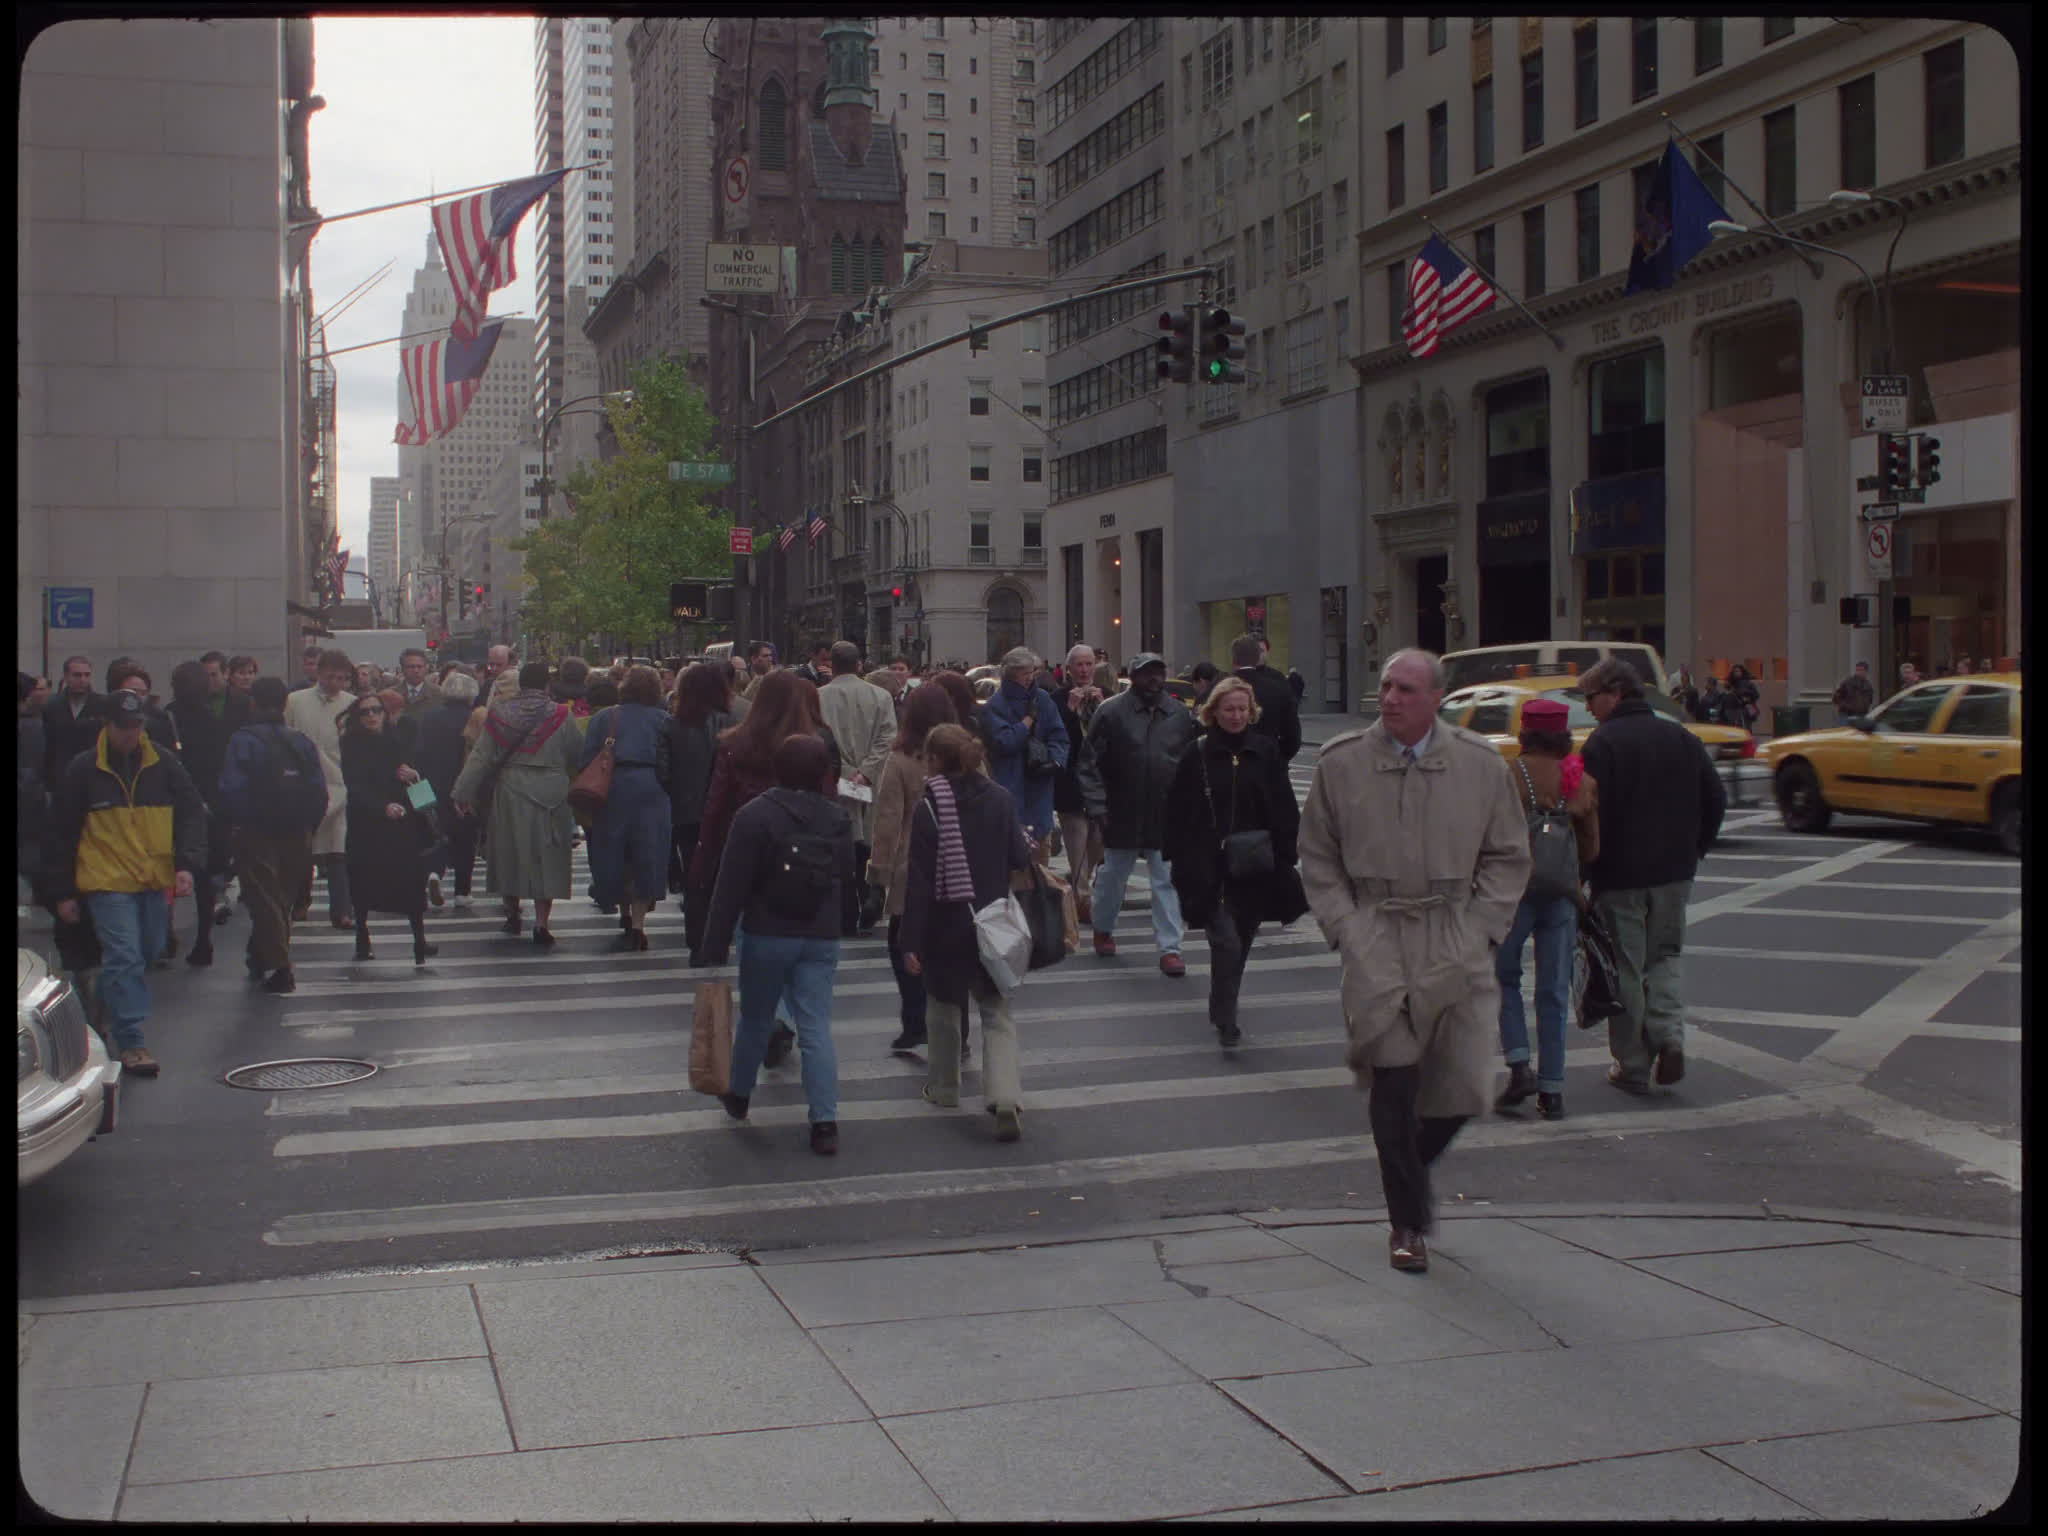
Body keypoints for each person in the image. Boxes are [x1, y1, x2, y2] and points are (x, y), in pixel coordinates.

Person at [1297, 648, 1533, 1273]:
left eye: (1406, 689)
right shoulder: (1342, 763)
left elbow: (1509, 855)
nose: (1392, 698)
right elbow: (1317, 857)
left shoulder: (1481, 766)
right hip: (1376, 932)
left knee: (1462, 1087)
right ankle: (1407, 1222)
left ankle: (1406, 1167)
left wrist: (1483, 929)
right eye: (1386, 687)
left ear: (1436, 699)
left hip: (1454, 930)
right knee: (1394, 1078)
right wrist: (1347, 928)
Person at [696, 731, 855, 1156]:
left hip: (767, 931)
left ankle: (740, 1094)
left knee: (756, 1018)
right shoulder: (836, 817)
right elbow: (845, 875)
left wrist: (713, 946)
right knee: (816, 1026)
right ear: (824, 772)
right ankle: (824, 1121)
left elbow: (730, 885)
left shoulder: (754, 815)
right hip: (819, 934)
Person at [1577, 656, 1726, 1096]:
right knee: (1665, 957)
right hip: (1674, 872)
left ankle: (1634, 1064)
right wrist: (1694, 849)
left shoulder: (1601, 746)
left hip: (1620, 875)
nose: (1588, 708)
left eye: (1592, 698)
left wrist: (1585, 872)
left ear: (1616, 694)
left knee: (1625, 965)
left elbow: (1587, 817)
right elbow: (1714, 797)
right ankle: (1670, 1036)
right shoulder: (1678, 735)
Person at [47, 690, 208, 1077]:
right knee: (126, 955)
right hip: (106, 879)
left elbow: (191, 812)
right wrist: (62, 891)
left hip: (151, 877)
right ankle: (131, 1040)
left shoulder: (163, 765)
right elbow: (60, 834)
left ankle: (98, 1000)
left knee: (147, 951)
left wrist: (186, 863)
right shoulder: (84, 770)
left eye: (137, 727)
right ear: (108, 725)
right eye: (124, 727)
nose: (131, 735)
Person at [688, 671, 841, 1063]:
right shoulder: (817, 745)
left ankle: (769, 1014)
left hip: (745, 852)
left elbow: (715, 805)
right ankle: (785, 1016)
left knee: (752, 940)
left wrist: (703, 861)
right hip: (804, 859)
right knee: (801, 946)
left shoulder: (734, 743)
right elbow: (828, 805)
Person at [898, 722, 1036, 1142]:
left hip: (946, 924)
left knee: (943, 1007)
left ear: (937, 761)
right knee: (996, 1012)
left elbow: (918, 880)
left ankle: (943, 1088)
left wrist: (910, 940)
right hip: (992, 919)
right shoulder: (1000, 798)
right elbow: (1018, 856)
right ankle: (1005, 1097)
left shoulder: (928, 808)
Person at [1161, 676, 1308, 1049]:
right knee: (1225, 939)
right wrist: (1176, 854)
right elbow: (1178, 807)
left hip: (1255, 863)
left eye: (1243, 708)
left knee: (1241, 940)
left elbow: (1283, 804)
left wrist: (1287, 852)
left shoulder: (1265, 751)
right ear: (1214, 712)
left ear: (1251, 711)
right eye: (1229, 709)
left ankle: (1223, 1003)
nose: (1237, 715)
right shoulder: (1197, 753)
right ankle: (1227, 1017)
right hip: (1208, 862)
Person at [1492, 697, 1600, 1122]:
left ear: (1524, 733)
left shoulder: (1508, 776)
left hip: (1514, 892)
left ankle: (1520, 1065)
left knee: (1503, 976)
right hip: (1561, 895)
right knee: (1554, 990)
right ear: (1562, 734)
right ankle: (1552, 1091)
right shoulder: (1581, 780)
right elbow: (1592, 845)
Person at [1085, 652, 1197, 975]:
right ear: (1133, 676)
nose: (1154, 679)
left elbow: (1190, 763)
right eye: (1147, 673)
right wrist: (1097, 806)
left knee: (1166, 881)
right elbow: (1089, 763)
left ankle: (1170, 949)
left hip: (1165, 812)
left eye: (1158, 672)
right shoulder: (1111, 712)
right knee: (1112, 878)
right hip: (1121, 810)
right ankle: (1103, 927)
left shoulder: (1178, 714)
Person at [451, 661, 578, 944]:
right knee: (548, 856)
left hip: (510, 790)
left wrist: (462, 792)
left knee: (510, 852)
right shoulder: (561, 714)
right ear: (547, 685)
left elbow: (481, 757)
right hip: (552, 793)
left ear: (521, 684)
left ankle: (512, 914)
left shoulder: (499, 713)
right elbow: (577, 754)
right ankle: (542, 922)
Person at [218, 676, 327, 992]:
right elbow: (319, 790)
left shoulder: (243, 740)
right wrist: (310, 825)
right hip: (297, 830)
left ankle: (280, 966)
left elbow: (231, 788)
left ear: (253, 702)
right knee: (281, 899)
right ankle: (261, 956)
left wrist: (239, 823)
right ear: (284, 704)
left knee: (264, 898)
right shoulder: (301, 741)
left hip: (256, 830)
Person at [868, 680, 958, 1051]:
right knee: (952, 950)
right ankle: (956, 1030)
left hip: (912, 866)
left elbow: (888, 818)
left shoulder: (902, 758)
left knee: (902, 941)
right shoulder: (965, 756)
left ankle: (914, 1018)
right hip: (958, 863)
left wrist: (878, 873)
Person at [337, 693, 436, 964]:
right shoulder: (351, 745)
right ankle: (362, 936)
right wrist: (382, 807)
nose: (371, 716)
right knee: (364, 882)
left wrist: (414, 777)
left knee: (411, 883)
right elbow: (353, 787)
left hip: (403, 823)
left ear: (385, 713)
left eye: (376, 710)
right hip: (367, 825)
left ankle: (420, 940)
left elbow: (424, 795)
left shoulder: (399, 741)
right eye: (365, 712)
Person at [581, 664, 673, 950]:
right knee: (648, 852)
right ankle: (639, 923)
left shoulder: (604, 718)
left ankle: (621, 909)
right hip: (652, 788)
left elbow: (586, 758)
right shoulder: (664, 720)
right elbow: (672, 762)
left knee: (615, 850)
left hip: (613, 788)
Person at [667, 661, 749, 957]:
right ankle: (719, 938)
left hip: (688, 812)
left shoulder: (675, 724)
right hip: (729, 810)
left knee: (695, 876)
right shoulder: (737, 718)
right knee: (725, 876)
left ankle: (697, 941)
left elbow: (664, 771)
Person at [817, 640, 898, 929]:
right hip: (870, 779)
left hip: (836, 778)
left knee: (842, 844)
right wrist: (866, 771)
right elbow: (888, 738)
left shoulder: (818, 697)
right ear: (859, 665)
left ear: (832, 664)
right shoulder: (881, 697)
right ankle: (870, 895)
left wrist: (846, 771)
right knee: (869, 841)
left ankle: (848, 909)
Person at [165, 661, 232, 967]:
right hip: (206, 806)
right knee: (204, 878)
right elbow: (220, 766)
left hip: (170, 804)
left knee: (165, 868)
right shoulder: (213, 720)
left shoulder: (167, 717)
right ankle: (203, 938)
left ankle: (166, 934)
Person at [284, 648, 357, 929]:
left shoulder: (352, 703)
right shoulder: (295, 701)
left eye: (342, 678)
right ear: (318, 673)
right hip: (304, 782)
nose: (335, 683)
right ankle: (300, 902)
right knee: (304, 847)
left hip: (340, 781)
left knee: (338, 850)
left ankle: (342, 910)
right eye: (330, 676)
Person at [980, 645, 1070, 859]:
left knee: (1041, 860)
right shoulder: (995, 705)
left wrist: (1056, 762)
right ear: (1010, 675)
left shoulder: (1043, 699)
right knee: (1012, 863)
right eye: (1025, 674)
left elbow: (1059, 736)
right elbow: (1005, 742)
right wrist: (1027, 722)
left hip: (1040, 785)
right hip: (1009, 786)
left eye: (1032, 672)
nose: (1030, 678)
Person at [1051, 643, 1110, 927]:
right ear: (1069, 669)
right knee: (1076, 844)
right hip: (1071, 784)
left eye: (1089, 664)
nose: (1084, 670)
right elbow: (1056, 740)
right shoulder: (1058, 699)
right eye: (1079, 665)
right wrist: (1070, 710)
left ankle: (1081, 890)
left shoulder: (1107, 699)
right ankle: (1082, 901)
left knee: (1098, 844)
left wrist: (1100, 707)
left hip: (1099, 784)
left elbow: (1112, 740)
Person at [416, 670, 481, 910]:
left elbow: (418, 753)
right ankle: (462, 891)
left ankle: (434, 872)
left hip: (431, 784)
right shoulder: (475, 717)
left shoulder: (428, 718)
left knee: (435, 833)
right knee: (465, 838)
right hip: (464, 785)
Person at [1229, 633, 1303, 764]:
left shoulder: (1221, 686)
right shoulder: (1277, 686)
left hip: (1229, 761)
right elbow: (1292, 734)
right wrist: (1278, 759)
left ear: (1234, 659)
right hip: (1268, 760)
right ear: (1256, 656)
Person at [43, 655, 105, 785]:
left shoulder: (102, 705)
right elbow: (46, 746)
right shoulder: (51, 706)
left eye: (87, 675)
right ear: (66, 677)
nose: (83, 680)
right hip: (60, 777)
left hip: (93, 776)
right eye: (77, 675)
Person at [397, 647, 442, 720]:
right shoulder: (392, 694)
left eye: (419, 666)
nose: (416, 670)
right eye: (411, 667)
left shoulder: (439, 694)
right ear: (402, 669)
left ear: (426, 668)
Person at [1723, 664, 1761, 730]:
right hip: (1733, 711)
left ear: (1742, 672)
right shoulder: (1731, 684)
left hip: (1745, 710)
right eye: (1734, 671)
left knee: (1746, 728)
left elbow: (1756, 694)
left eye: (1738, 671)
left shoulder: (1748, 683)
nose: (1736, 673)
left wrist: (1748, 698)